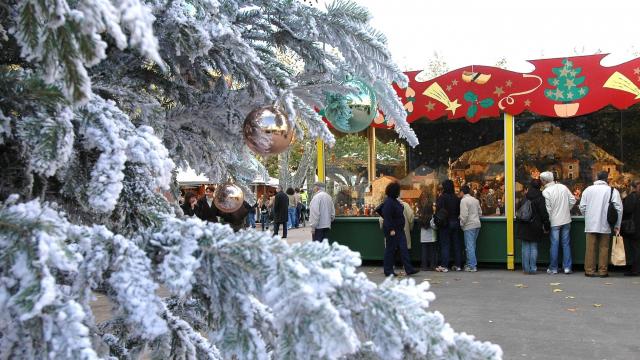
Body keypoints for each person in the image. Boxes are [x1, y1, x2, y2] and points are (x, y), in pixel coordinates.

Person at [579, 171, 623, 278]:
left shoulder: (588, 190)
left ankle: (589, 270)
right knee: (604, 248)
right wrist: (617, 225)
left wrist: (587, 216)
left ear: (596, 178)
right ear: (606, 179)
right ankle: (603, 271)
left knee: (590, 248)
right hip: (606, 224)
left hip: (591, 223)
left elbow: (582, 207)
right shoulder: (612, 191)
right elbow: (619, 209)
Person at [540, 171, 576, 275]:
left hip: (555, 221)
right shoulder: (563, 187)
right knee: (566, 244)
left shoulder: (546, 192)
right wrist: (566, 209)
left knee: (554, 244)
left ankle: (553, 268)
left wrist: (550, 220)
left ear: (544, 181)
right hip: (566, 219)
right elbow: (573, 200)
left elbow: (548, 209)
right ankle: (567, 267)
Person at [380, 182, 418, 277]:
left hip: (399, 229)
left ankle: (408, 268)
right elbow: (387, 217)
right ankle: (388, 270)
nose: (399, 192)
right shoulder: (389, 203)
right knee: (390, 250)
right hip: (393, 230)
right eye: (398, 191)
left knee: (403, 249)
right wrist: (391, 229)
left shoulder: (393, 201)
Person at [516, 179, 550, 275]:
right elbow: (544, 214)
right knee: (534, 247)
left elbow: (519, 211)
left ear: (530, 186)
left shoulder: (524, 197)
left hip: (524, 225)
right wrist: (547, 226)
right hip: (536, 225)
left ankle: (526, 269)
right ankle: (533, 268)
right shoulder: (541, 198)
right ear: (540, 187)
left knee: (525, 247)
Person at [435, 179, 462, 272]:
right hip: (455, 222)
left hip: (445, 224)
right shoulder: (456, 198)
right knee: (456, 244)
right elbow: (459, 211)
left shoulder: (442, 197)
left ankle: (444, 266)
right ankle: (458, 265)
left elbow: (438, 210)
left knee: (445, 244)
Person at [459, 185, 482, 272]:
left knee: (469, 246)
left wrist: (462, 224)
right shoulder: (475, 200)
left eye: (459, 192)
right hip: (477, 225)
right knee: (472, 245)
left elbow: (464, 215)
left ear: (462, 192)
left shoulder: (463, 201)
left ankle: (472, 266)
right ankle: (469, 264)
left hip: (469, 226)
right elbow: (480, 213)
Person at [622, 180, 640, 276]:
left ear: (632, 187)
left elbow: (627, 210)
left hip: (634, 227)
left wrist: (624, 199)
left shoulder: (631, 197)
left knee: (635, 249)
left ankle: (635, 270)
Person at [419, 201, 437, 271]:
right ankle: (432, 265)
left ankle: (424, 266)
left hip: (423, 238)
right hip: (431, 237)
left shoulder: (421, 217)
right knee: (432, 252)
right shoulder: (432, 217)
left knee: (424, 252)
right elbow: (434, 226)